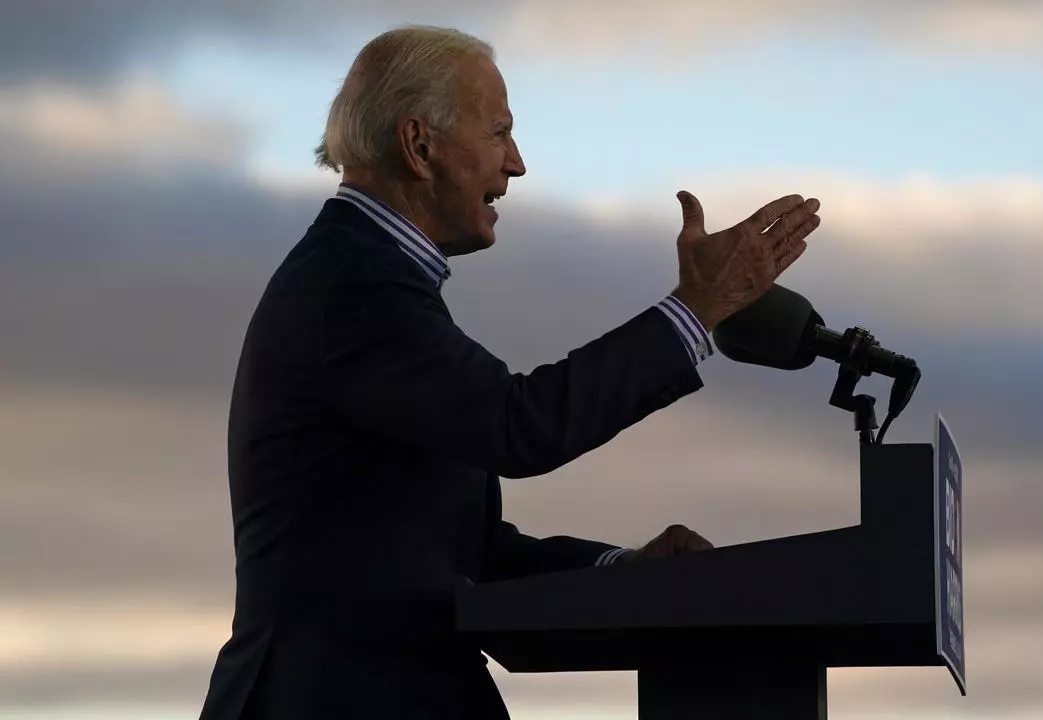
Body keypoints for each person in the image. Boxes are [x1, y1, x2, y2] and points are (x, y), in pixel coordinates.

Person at [197, 24, 821, 720]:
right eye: (499, 132)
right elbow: (519, 426)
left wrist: (620, 571)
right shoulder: (353, 286)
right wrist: (697, 309)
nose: (516, 164)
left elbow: (467, 552)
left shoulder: (371, 277)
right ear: (419, 145)